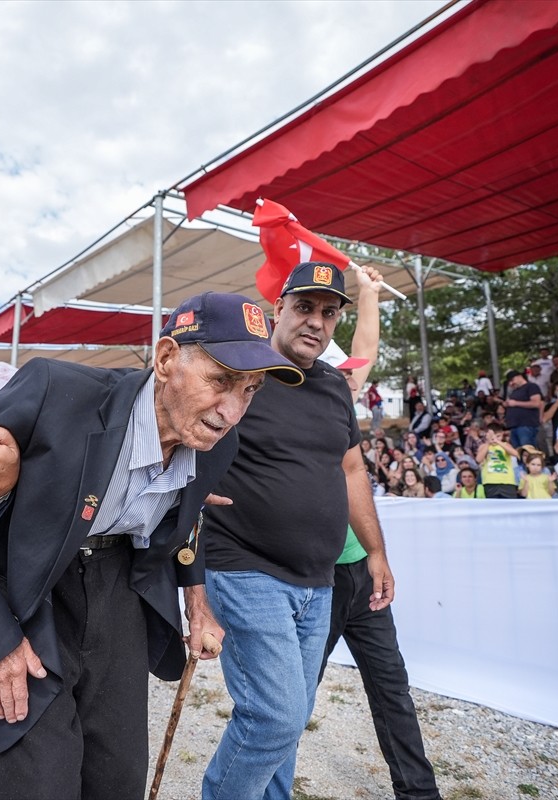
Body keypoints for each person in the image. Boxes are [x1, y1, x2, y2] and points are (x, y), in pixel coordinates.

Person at [0, 292, 303, 800]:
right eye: (220, 380)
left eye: (249, 390)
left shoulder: (216, 440)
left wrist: (197, 600)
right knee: (36, 780)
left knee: (116, 776)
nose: (231, 411)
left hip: (123, 593)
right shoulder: (57, 389)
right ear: (165, 360)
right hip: (33, 591)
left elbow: (186, 514)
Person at [200, 262, 394, 800]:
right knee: (276, 718)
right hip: (245, 568)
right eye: (304, 307)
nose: (316, 322)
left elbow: (351, 469)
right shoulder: (244, 371)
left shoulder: (335, 385)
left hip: (320, 581)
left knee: (290, 717)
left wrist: (374, 551)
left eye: (329, 313)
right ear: (278, 310)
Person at [477, 422, 518, 498]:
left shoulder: (506, 445)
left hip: (507, 480)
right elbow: (478, 459)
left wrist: (498, 442)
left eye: (498, 436)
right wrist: (488, 442)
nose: (495, 438)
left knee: (510, 506)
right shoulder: (484, 446)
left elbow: (515, 454)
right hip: (490, 481)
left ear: (502, 434)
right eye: (492, 436)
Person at [503, 370, 544, 449]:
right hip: (514, 426)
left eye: (512, 380)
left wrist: (515, 403)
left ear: (519, 376)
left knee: (527, 450)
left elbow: (536, 403)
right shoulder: (514, 391)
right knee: (518, 452)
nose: (511, 384)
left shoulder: (531, 386)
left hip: (526, 425)